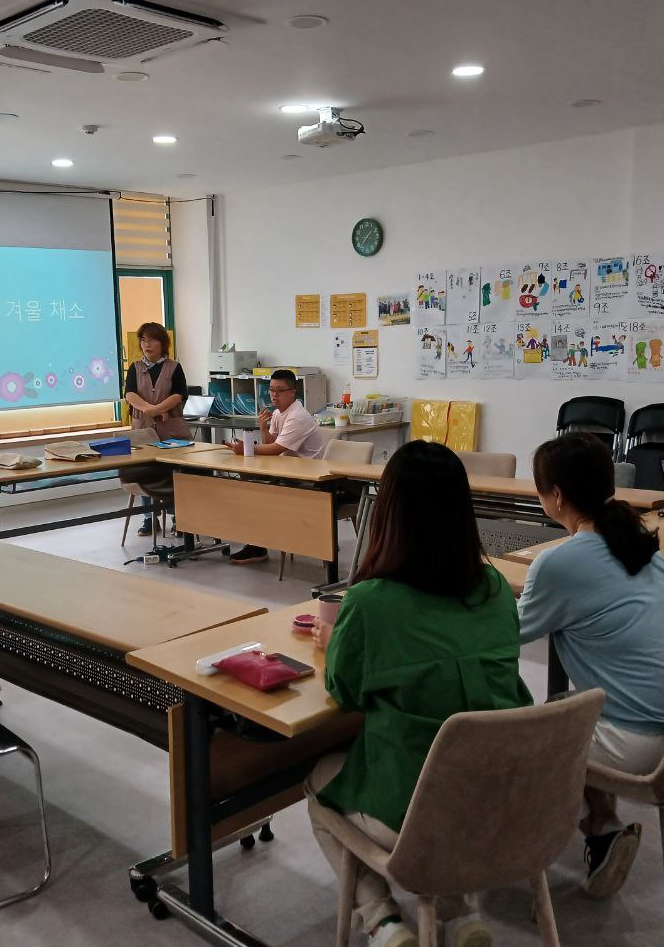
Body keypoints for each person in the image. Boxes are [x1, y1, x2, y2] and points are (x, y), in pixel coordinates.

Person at [306, 441, 531, 947]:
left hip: (419, 814)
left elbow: (344, 691)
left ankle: (381, 919)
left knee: (319, 780)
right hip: (502, 800)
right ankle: (459, 913)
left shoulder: (368, 604)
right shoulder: (496, 590)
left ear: (389, 513)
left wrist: (335, 637)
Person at [518, 433, 664, 899]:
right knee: (565, 703)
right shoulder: (639, 542)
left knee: (513, 734)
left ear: (555, 496)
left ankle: (519, 854)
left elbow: (505, 636)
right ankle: (602, 828)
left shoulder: (558, 562)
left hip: (641, 742)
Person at [223, 368, 326, 564]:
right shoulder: (279, 413)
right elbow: (271, 442)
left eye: (279, 390)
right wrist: (263, 427)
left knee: (254, 491)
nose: (273, 395)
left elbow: (277, 449)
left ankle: (258, 546)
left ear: (292, 392)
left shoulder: (297, 415)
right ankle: (257, 543)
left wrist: (246, 449)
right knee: (248, 485)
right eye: (271, 390)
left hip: (307, 478)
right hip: (287, 471)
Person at [123, 322, 190, 536]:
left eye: (152, 340)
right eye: (143, 340)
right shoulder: (134, 367)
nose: (147, 344)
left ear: (163, 343)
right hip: (142, 429)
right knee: (144, 473)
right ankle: (149, 519)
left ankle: (177, 517)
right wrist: (149, 409)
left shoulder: (174, 367)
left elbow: (179, 394)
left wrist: (160, 408)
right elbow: (130, 394)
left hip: (170, 430)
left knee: (171, 475)